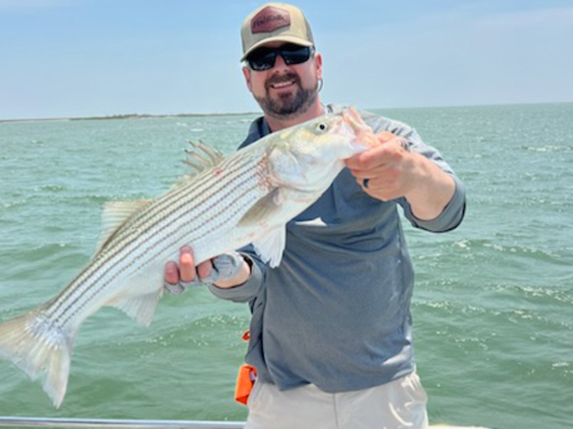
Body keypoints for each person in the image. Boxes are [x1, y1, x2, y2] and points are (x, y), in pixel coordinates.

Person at [164, 3, 466, 428]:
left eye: (295, 54)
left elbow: (447, 213)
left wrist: (413, 175)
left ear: (317, 63)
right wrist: (221, 268)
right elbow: (250, 278)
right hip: (282, 393)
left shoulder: (374, 137)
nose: (280, 67)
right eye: (263, 59)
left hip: (383, 389)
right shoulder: (238, 174)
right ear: (248, 77)